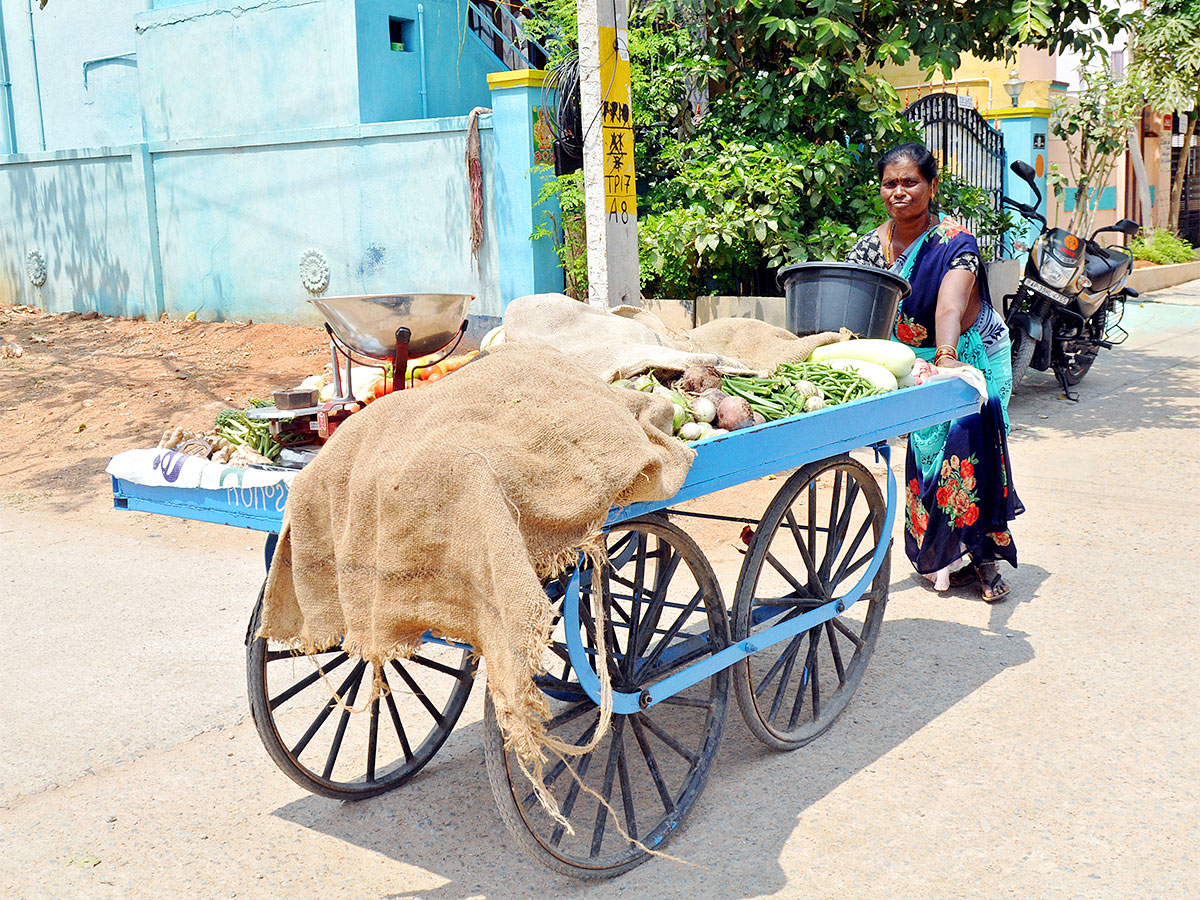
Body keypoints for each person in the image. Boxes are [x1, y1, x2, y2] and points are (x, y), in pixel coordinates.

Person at [845, 141, 1023, 601]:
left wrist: (945, 356)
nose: (899, 191)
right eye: (890, 183)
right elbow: (857, 307)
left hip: (969, 351)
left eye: (910, 182)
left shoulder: (955, 240)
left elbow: (951, 303)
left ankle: (985, 561)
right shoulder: (869, 245)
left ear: (931, 185)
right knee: (926, 456)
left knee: (969, 449)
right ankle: (942, 554)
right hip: (913, 358)